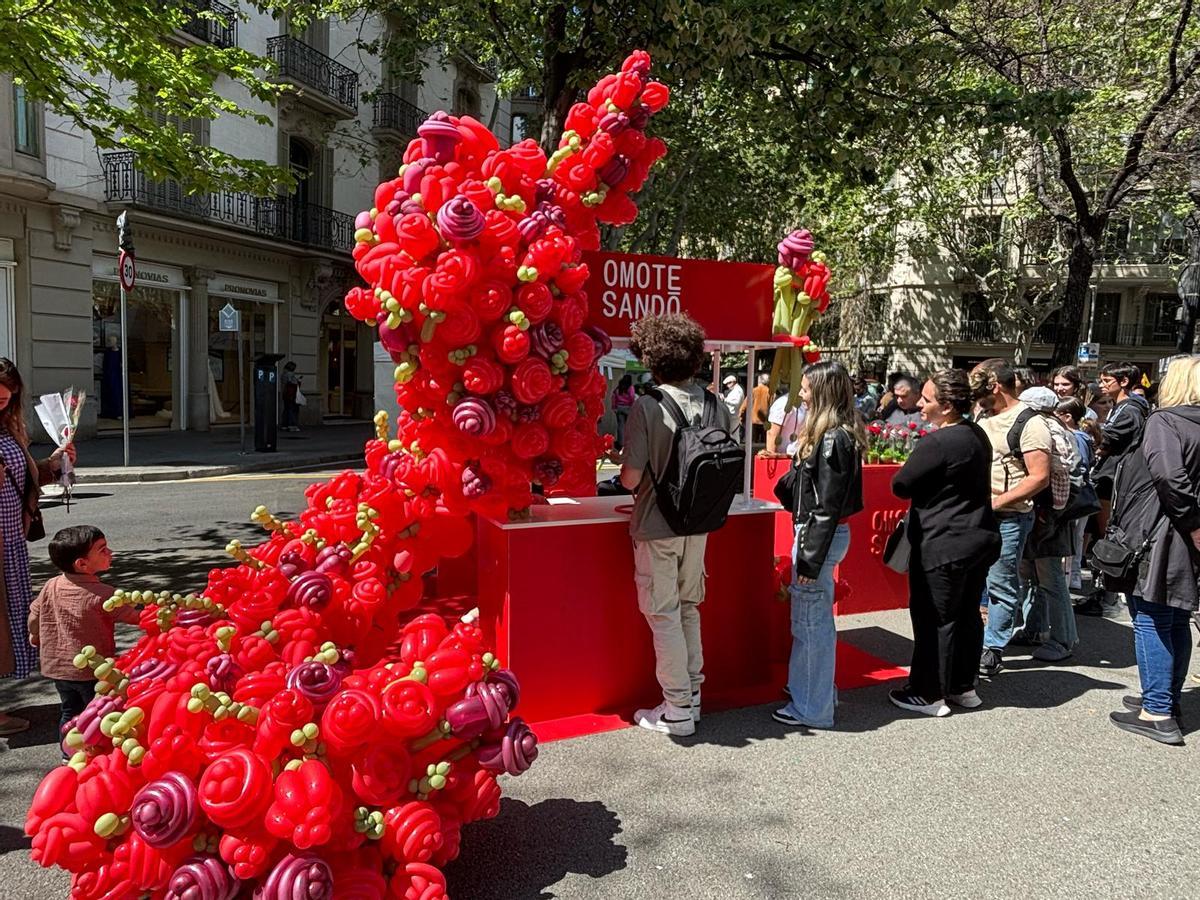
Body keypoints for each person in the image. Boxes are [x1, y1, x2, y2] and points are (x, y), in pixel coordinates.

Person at [620, 314, 731, 736]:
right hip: (699, 523)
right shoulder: (716, 403)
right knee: (688, 609)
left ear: (652, 358)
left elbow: (630, 477)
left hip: (657, 523)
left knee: (663, 613)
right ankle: (693, 697)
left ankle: (677, 710)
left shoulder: (648, 407)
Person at [889, 370, 999, 716]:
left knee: (934, 617)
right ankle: (962, 686)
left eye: (927, 399)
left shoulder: (938, 441)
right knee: (966, 614)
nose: (920, 405)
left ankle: (928, 692)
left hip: (943, 541)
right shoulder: (976, 434)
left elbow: (901, 483)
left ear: (947, 406)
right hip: (976, 538)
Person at [1107, 356, 1200, 745]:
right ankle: (1165, 699)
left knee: (1151, 618)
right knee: (1175, 618)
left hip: (1167, 531)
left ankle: (1158, 711)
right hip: (1184, 531)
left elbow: (1168, 475)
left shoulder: (1166, 420)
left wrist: (1194, 525)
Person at [773, 361, 864, 729]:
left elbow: (826, 506)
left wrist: (809, 560)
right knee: (810, 622)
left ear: (822, 392)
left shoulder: (831, 438)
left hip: (817, 536)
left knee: (812, 625)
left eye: (808, 389)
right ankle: (811, 694)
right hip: (819, 534)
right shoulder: (833, 435)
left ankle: (813, 707)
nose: (802, 395)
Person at [0, 360, 76, 735]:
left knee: (6, 625)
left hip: (10, 541)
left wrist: (53, 464)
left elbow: (21, 477)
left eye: (9, 392)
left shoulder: (7, 426)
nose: (4, 397)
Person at [970, 358, 1052, 676]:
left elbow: (1039, 477)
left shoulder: (1030, 423)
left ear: (994, 385)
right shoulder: (981, 415)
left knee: (1001, 584)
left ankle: (992, 649)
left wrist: (995, 503)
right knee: (975, 582)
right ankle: (977, 641)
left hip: (1009, 518)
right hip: (976, 515)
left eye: (976, 384)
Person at [27, 526, 138, 739]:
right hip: (92, 671)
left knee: (69, 711)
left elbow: (34, 617)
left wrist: (35, 636)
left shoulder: (51, 585)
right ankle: (93, 751)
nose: (110, 552)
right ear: (82, 564)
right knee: (98, 713)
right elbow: (136, 618)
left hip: (57, 668)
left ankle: (68, 753)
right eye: (102, 549)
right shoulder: (104, 594)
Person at [1014, 386, 1080, 663]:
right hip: (1046, 513)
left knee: (1050, 577)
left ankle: (1063, 639)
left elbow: (1044, 475)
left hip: (1048, 514)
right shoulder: (1053, 427)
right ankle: (1035, 629)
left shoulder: (1045, 429)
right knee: (1032, 574)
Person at [1079, 361, 1148, 617]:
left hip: (1113, 480)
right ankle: (1102, 594)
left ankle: (1107, 599)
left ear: (1124, 382)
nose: (1103, 384)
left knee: (1107, 534)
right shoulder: (1122, 408)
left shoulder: (1130, 409)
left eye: (1107, 380)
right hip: (1108, 477)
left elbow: (1109, 439)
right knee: (1101, 534)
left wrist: (1091, 429)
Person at [1056, 397, 1096, 592]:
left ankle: (1068, 578)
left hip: (1077, 498)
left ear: (1067, 417)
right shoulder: (1081, 436)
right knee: (1075, 539)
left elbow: (1078, 468)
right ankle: (1073, 577)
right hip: (1080, 497)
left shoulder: (1076, 437)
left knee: (1072, 539)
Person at [766, 387, 805, 456]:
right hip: (785, 459)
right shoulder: (783, 403)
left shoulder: (806, 403)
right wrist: (772, 460)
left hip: (798, 457)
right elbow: (772, 434)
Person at [742, 373, 772, 446]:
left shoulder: (753, 391)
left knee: (753, 443)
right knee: (764, 444)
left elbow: (744, 405)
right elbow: (772, 406)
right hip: (765, 421)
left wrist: (741, 417)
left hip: (753, 421)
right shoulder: (770, 392)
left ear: (760, 380)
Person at [611, 374, 636, 450]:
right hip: (628, 407)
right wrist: (632, 405)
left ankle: (620, 443)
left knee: (620, 426)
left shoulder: (618, 388)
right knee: (629, 425)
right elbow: (632, 396)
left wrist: (614, 407)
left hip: (619, 407)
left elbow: (613, 397)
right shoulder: (630, 387)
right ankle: (628, 442)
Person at [281, 361, 303, 432]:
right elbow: (294, 384)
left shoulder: (283, 374)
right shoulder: (290, 374)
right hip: (291, 395)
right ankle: (292, 425)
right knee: (292, 410)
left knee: (286, 409)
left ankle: (285, 425)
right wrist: (299, 381)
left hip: (285, 394)